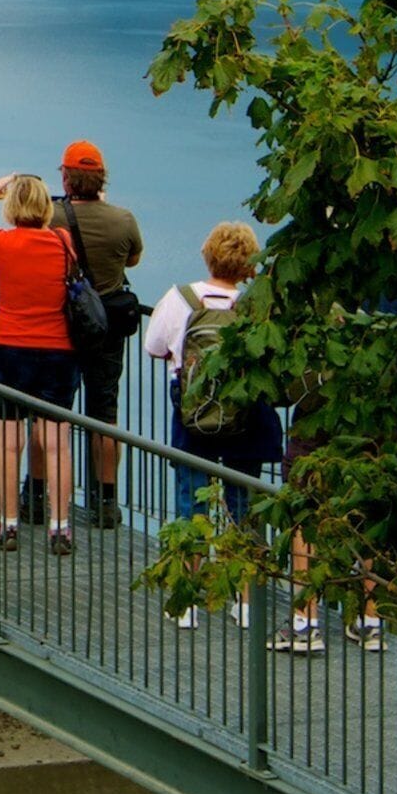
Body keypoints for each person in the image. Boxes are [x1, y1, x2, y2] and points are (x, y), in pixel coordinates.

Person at [142, 221, 280, 630]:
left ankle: (187, 600)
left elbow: (154, 347)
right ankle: (244, 601)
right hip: (247, 414)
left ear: (208, 254)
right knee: (244, 508)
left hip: (192, 413)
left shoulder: (180, 298)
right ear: (248, 264)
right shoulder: (258, 306)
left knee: (191, 502)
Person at [0, 170, 83, 556]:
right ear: (46, 206)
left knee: (8, 443)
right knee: (56, 443)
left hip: (9, 348)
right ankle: (60, 527)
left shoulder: (1, 242)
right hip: (56, 351)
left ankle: (8, 525)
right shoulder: (62, 240)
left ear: (12, 205)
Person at [55, 140, 144, 529]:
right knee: (104, 414)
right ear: (101, 178)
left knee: (53, 412)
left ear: (65, 177)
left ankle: (39, 495)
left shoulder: (53, 216)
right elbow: (133, 259)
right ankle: (106, 502)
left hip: (64, 323)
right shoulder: (123, 218)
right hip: (108, 325)